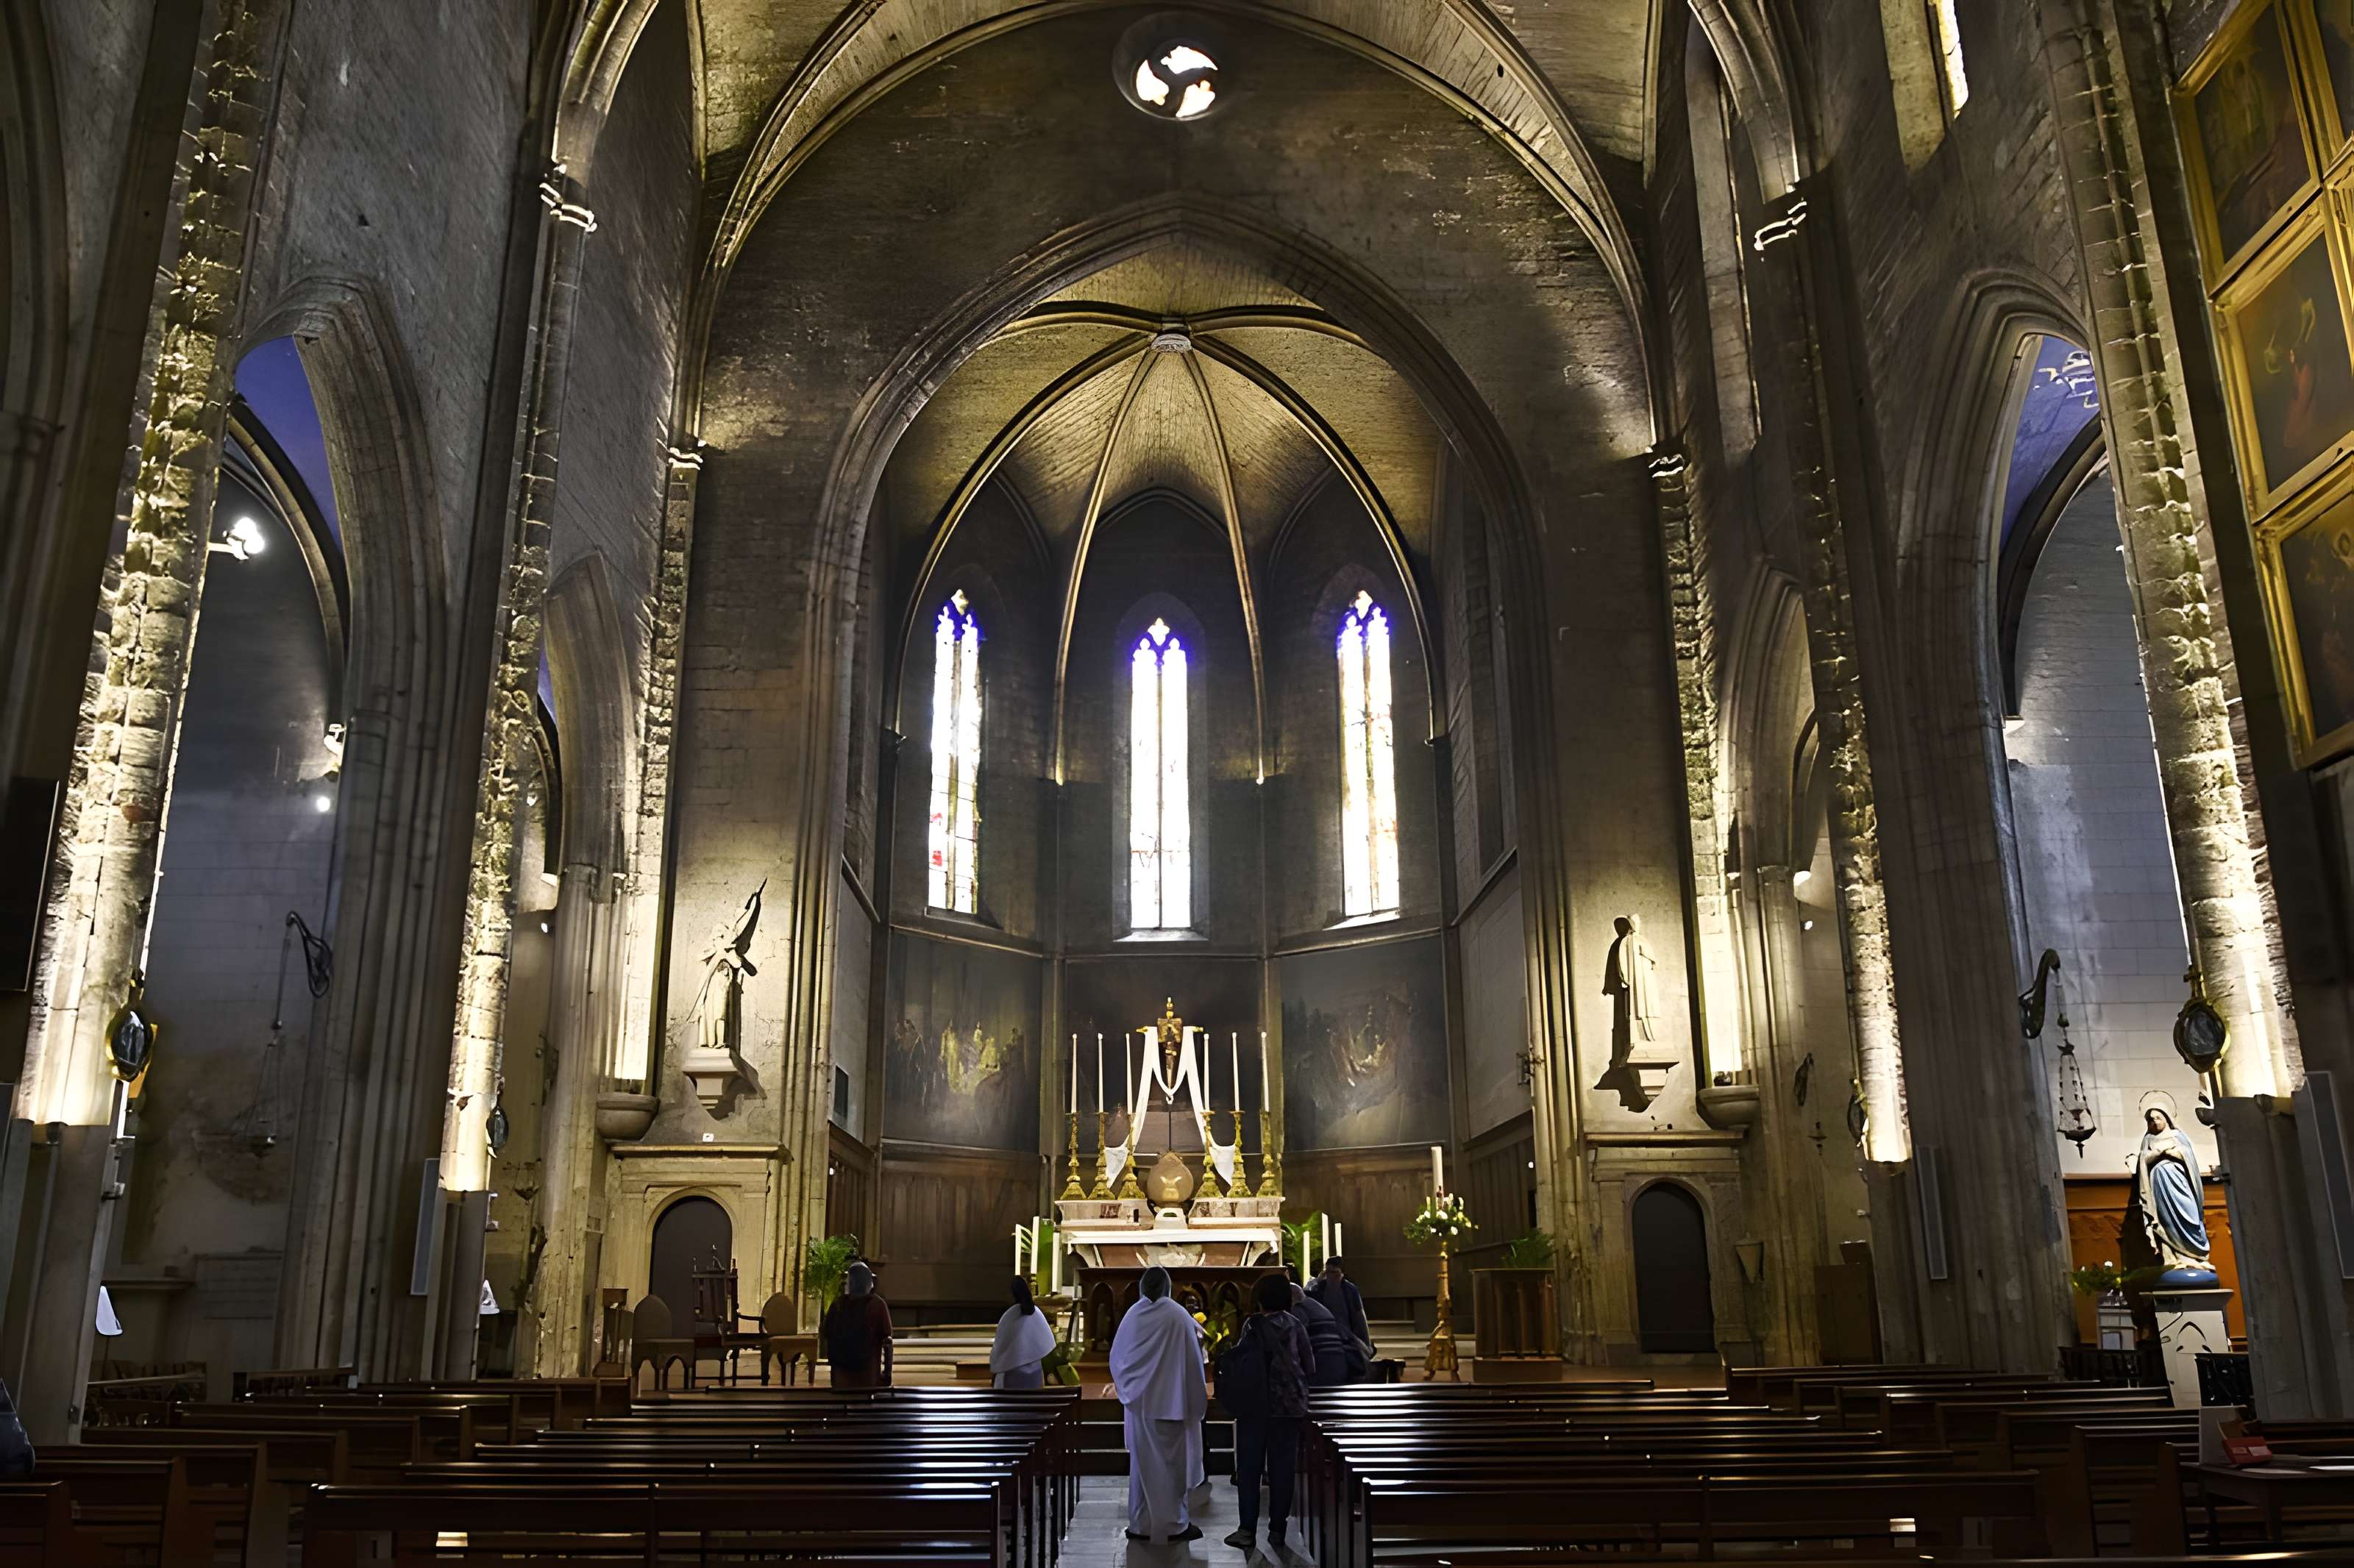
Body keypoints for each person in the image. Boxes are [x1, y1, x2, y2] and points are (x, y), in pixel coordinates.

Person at [1109, 1266, 1206, 1542]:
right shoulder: (1178, 1316)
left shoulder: (1132, 1316)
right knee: (1173, 1466)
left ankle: (1140, 1525)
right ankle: (1175, 1525)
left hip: (1140, 1407)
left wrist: (1131, 1391)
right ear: (1168, 1288)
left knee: (1142, 1467)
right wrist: (1195, 1401)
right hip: (1171, 1403)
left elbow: (1117, 1360)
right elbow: (1193, 1361)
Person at [1220, 1272, 1311, 1553]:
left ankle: (1247, 1530)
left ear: (1259, 1299)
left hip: (1255, 1407)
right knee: (1282, 1469)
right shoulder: (1297, 1326)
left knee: (1250, 1469)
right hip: (1288, 1408)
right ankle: (1277, 1530)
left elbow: (1241, 1362)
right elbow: (1309, 1364)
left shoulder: (1253, 1325)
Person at [2134, 1105, 2216, 1283]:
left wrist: (2173, 1152)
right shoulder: (2148, 1139)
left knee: (2190, 1216)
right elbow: (2143, 1160)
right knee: (2166, 1221)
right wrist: (2157, 1153)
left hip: (2180, 1182)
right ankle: (2173, 1258)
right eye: (2151, 1119)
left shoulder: (2178, 1135)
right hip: (2160, 1185)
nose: (2155, 1121)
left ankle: (2197, 1256)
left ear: (2166, 1118)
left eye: (2158, 1117)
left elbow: (2189, 1158)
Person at [822, 1262, 895, 1388]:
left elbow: (827, 1333)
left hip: (841, 1377)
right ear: (869, 1282)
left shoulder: (837, 1305)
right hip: (868, 1376)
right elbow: (887, 1340)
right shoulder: (877, 1305)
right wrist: (887, 1375)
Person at [1306, 1257, 1373, 1380]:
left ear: (1342, 1274)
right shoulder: (1320, 1288)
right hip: (1326, 1336)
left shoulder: (1349, 1290)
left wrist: (1366, 1342)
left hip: (1347, 1334)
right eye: (1327, 1272)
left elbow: (1359, 1317)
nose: (1330, 1277)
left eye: (1334, 1273)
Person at [1284, 1267, 1350, 1388]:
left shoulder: (1298, 1310)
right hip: (1339, 1364)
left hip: (1323, 1367)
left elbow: (1298, 1344)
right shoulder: (1316, 1306)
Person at [990, 1275, 1057, 1389]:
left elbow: (999, 1352)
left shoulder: (1009, 1317)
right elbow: (1045, 1347)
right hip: (1035, 1378)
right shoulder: (1036, 1314)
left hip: (1008, 1381)